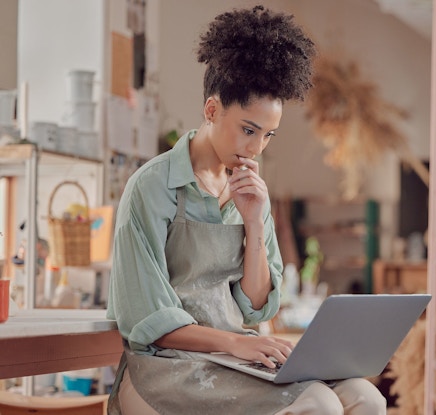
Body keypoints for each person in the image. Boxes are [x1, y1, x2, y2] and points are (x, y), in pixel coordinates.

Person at [106, 5, 387, 414]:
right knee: (319, 405)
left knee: (367, 397)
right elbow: (149, 321)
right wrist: (238, 342)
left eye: (268, 135)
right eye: (248, 130)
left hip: (234, 360)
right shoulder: (151, 187)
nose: (256, 149)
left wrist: (255, 223)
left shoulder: (251, 191)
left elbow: (256, 304)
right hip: (165, 369)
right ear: (211, 109)